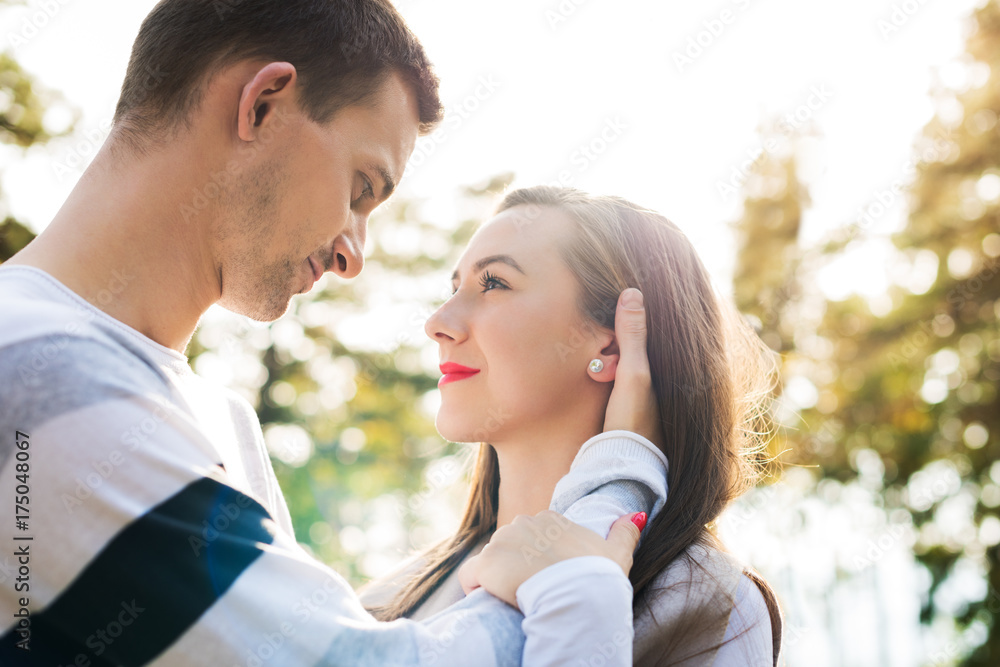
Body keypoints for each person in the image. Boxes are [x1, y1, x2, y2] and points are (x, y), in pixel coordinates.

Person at [0, 2, 659, 665]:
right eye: (359, 189)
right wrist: (609, 500)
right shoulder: (35, 368)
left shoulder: (222, 422)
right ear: (263, 106)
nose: (353, 255)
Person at [360, 186, 786, 666]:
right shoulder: (386, 602)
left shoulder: (704, 603)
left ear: (611, 344)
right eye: (454, 289)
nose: (438, 322)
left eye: (494, 283)